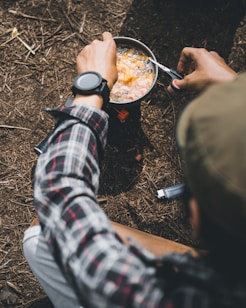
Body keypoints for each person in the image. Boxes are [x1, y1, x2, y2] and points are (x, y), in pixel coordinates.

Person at [23, 31, 246, 307]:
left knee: (40, 236)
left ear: (195, 214)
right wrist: (234, 90)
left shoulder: (155, 295)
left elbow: (60, 196)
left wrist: (91, 90)